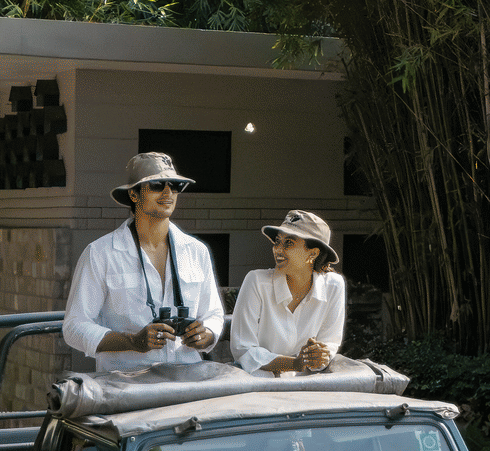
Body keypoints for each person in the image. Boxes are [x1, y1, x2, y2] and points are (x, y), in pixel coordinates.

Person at [62, 152, 225, 371]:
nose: (168, 192)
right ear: (133, 194)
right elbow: (74, 326)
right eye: (157, 185)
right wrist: (133, 342)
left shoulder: (197, 251)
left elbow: (214, 314)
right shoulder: (100, 253)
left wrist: (206, 335)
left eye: (175, 185)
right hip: (126, 382)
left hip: (187, 378)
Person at [229, 209, 346, 375]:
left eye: (289, 243)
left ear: (313, 253)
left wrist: (320, 355)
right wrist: (294, 364)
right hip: (257, 384)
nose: (278, 249)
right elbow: (242, 349)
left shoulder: (334, 286)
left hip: (309, 385)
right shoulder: (256, 281)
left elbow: (329, 342)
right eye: (277, 242)